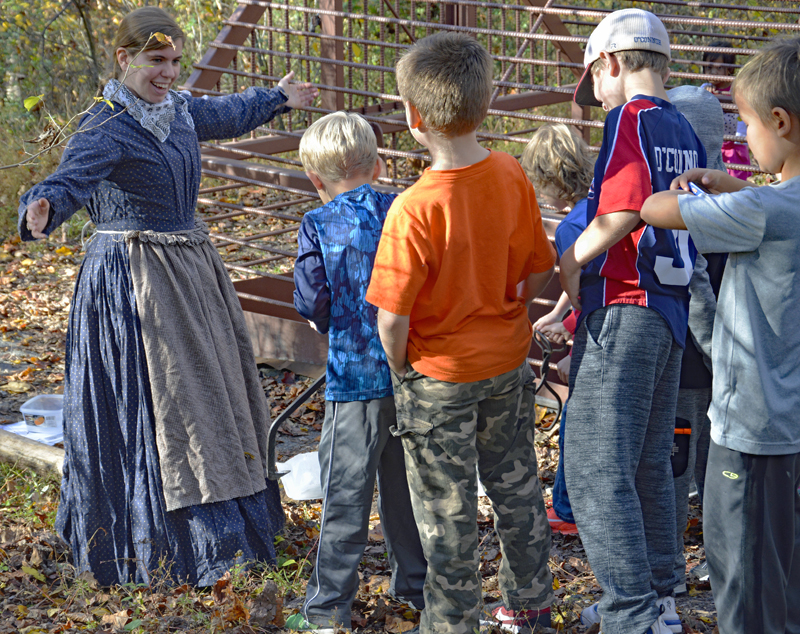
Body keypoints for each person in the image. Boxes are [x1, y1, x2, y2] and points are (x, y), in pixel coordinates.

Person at [18, 6, 317, 587]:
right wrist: (44, 205)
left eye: (176, 62)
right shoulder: (103, 125)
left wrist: (276, 96)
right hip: (134, 284)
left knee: (206, 398)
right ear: (124, 59)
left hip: (190, 274)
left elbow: (224, 113)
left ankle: (226, 528)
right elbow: (70, 181)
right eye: (157, 61)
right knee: (159, 405)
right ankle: (155, 542)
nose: (168, 73)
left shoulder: (176, 109)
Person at [365, 31, 556, 634]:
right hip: (505, 364)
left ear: (414, 116)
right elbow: (538, 268)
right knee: (517, 486)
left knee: (445, 513)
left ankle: (454, 623)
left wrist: (400, 368)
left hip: (438, 378)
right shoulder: (509, 173)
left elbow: (391, 319)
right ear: (489, 100)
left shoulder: (413, 209)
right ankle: (528, 606)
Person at [641, 37, 800, 634]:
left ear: (780, 122)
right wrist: (733, 185)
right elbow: (771, 205)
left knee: (741, 575)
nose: (743, 134)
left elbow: (659, 209)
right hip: (790, 425)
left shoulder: (761, 214)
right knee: (781, 571)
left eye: (748, 122)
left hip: (751, 428)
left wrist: (682, 186)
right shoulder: (776, 205)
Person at [559, 9, 706, 634]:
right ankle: (659, 594)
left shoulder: (631, 117)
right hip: (670, 314)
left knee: (593, 465)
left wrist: (568, 265)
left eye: (592, 79)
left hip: (625, 305)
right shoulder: (686, 126)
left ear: (612, 64)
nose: (595, 97)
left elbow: (619, 212)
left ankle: (630, 611)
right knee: (648, 459)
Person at [288, 111, 426, 633]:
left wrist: (336, 321)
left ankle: (328, 610)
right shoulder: (405, 208)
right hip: (412, 373)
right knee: (404, 488)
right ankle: (414, 587)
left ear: (315, 178)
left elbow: (311, 299)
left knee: (345, 493)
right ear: (377, 162)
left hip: (353, 379)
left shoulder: (318, 223)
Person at [663, 85, 727, 595]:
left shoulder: (680, 199)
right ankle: (710, 560)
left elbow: (696, 282)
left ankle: (672, 574)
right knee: (706, 467)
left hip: (692, 356)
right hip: (718, 359)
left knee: (678, 466)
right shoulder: (731, 195)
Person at [522, 123, 595, 536]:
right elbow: (585, 281)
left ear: (549, 180)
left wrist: (572, 346)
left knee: (574, 420)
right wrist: (558, 316)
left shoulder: (570, 228)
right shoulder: (603, 204)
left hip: (598, 332)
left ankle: (566, 508)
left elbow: (590, 294)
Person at [701, 42, 751, 181]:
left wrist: (741, 140)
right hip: (713, 145)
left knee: (734, 181)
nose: (713, 72)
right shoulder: (705, 87)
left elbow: (742, 115)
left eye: (719, 68)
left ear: (729, 69)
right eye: (709, 67)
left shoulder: (736, 89)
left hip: (733, 146)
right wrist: (705, 95)